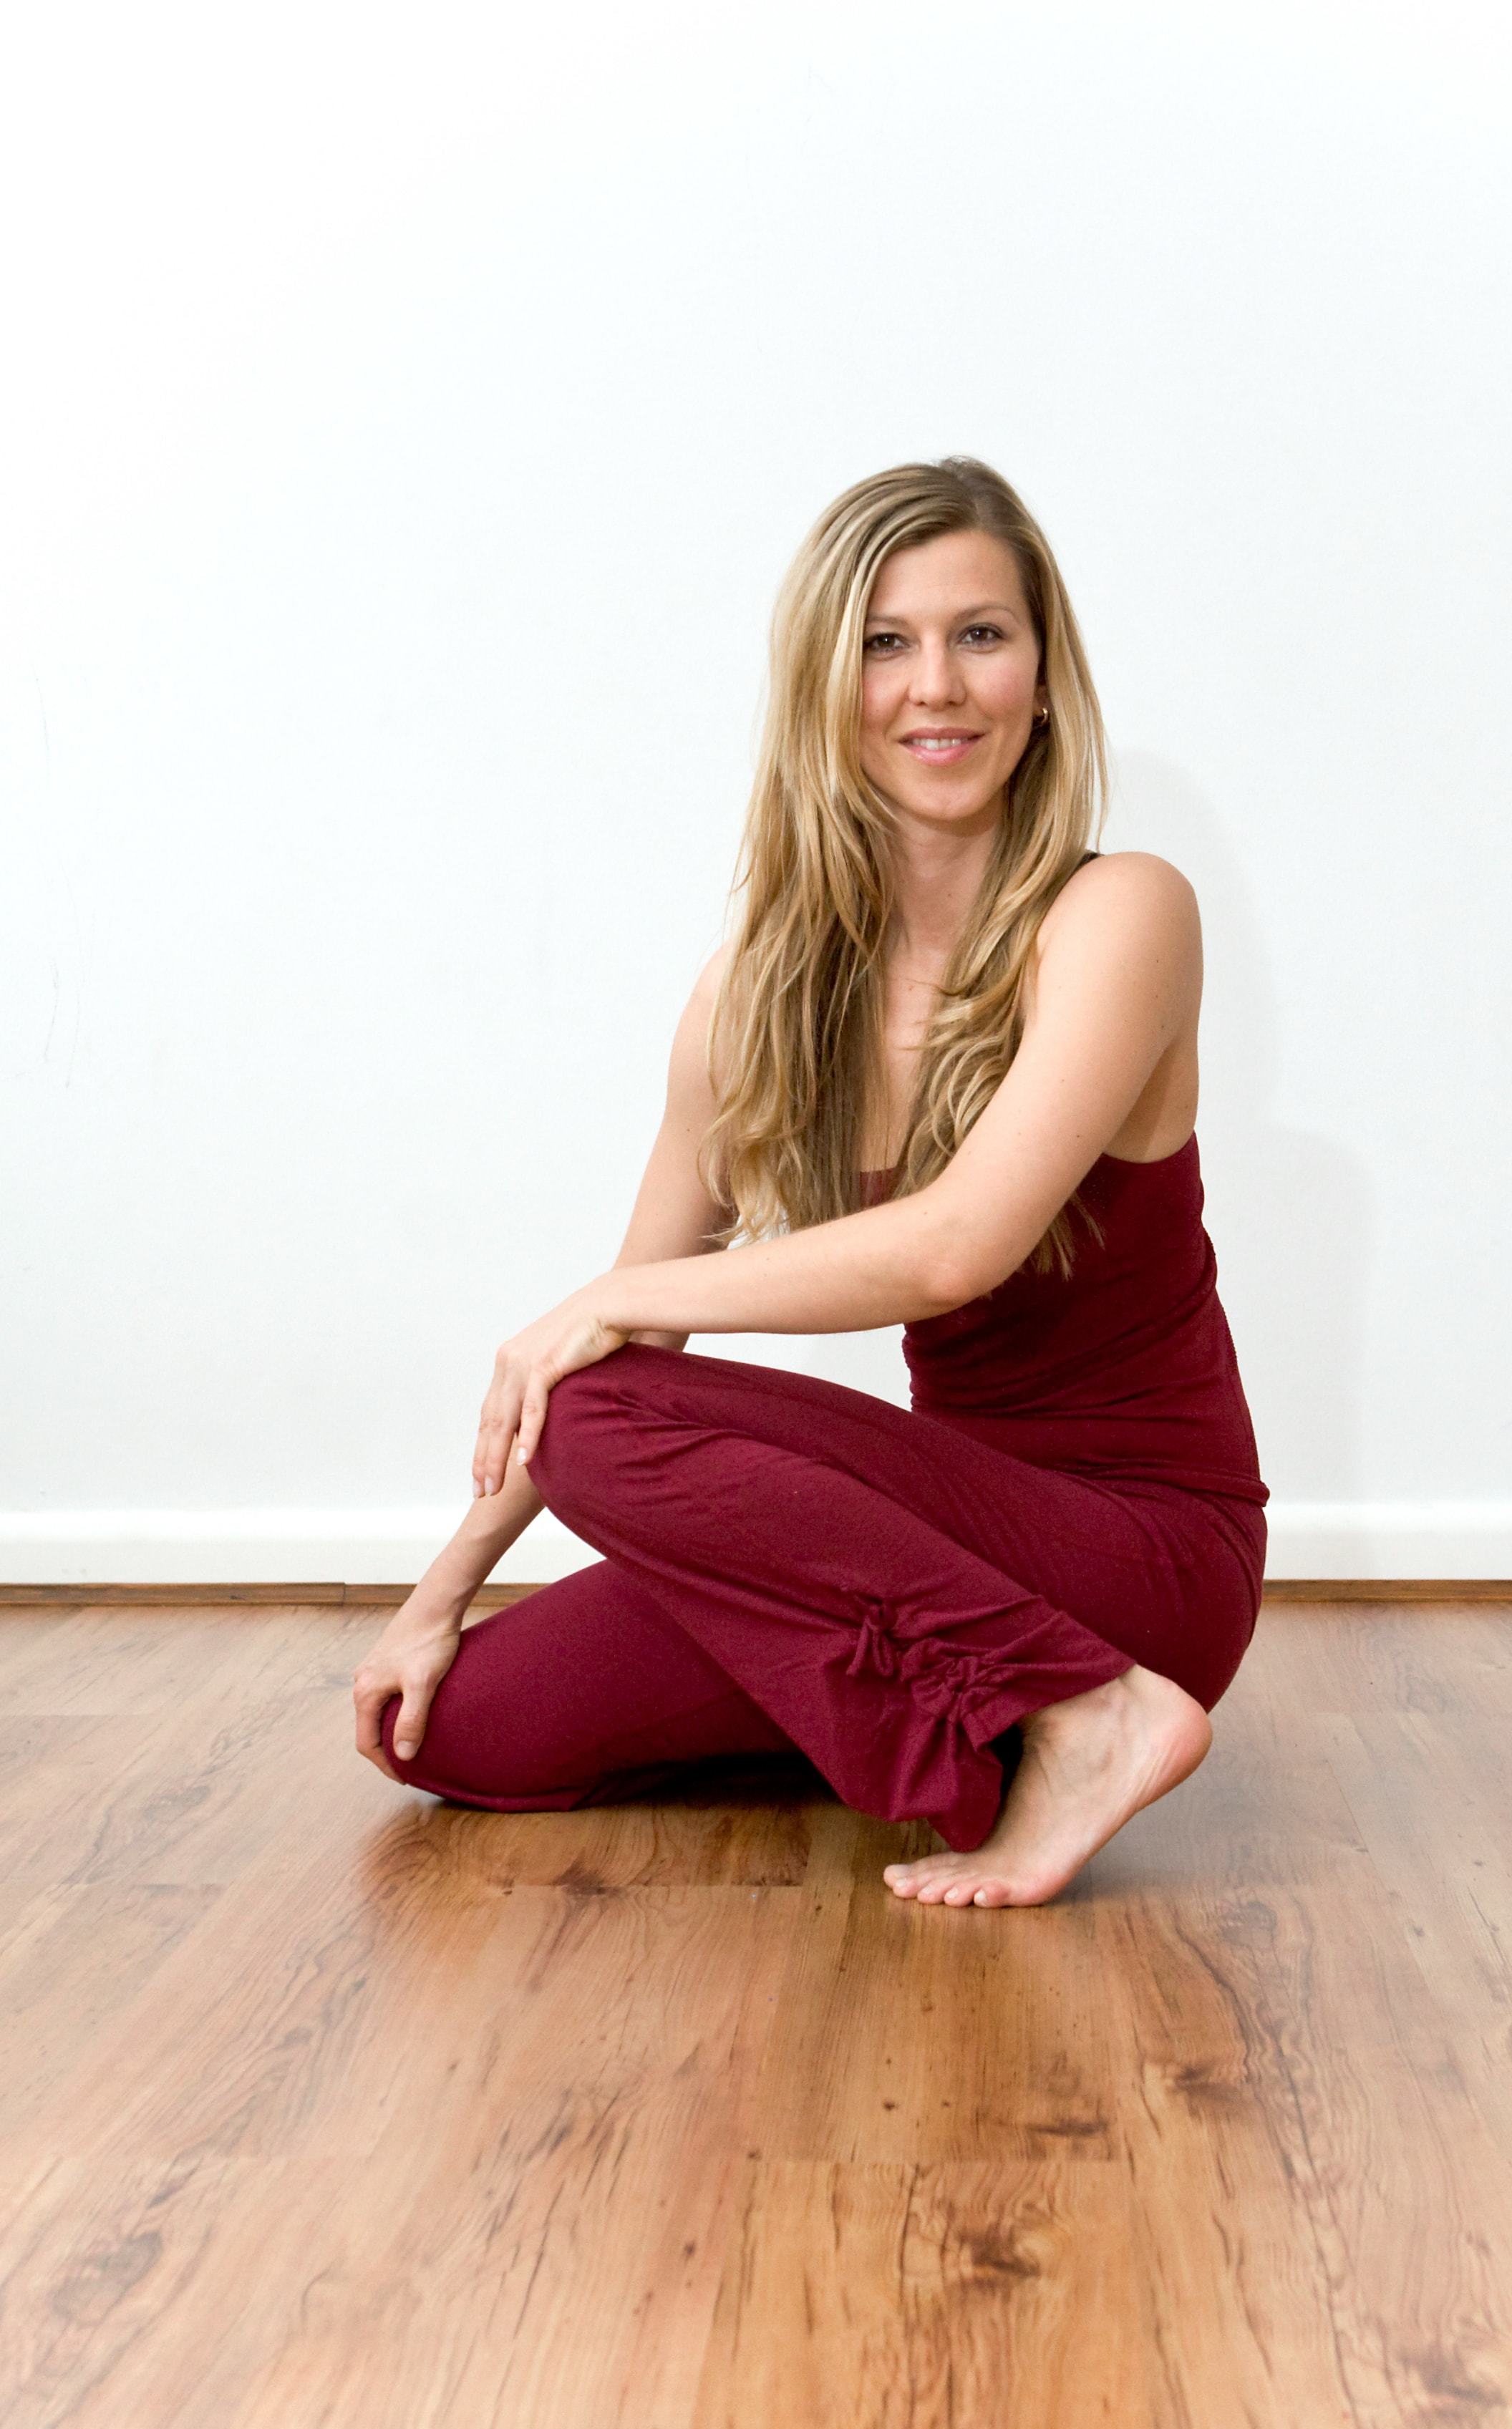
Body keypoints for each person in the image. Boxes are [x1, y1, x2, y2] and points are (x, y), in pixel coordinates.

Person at [351, 456, 1268, 1909]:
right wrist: (437, 1593)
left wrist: (607, 1305)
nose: (936, 687)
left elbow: (953, 1248)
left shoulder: (1120, 912)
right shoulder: (760, 996)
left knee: (596, 1405)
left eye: (981, 635)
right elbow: (633, 1331)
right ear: (826, 690)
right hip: (925, 1558)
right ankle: (964, 1719)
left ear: (1043, 678)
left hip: (1142, 1557)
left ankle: (1093, 1713)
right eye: (885, 644)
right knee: (458, 1729)